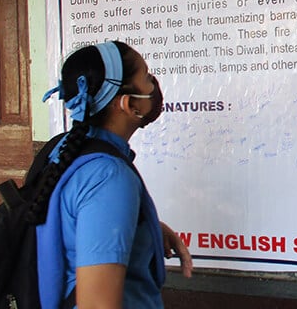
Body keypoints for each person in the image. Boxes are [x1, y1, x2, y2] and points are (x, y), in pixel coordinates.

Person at [39, 40, 192, 309]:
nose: (153, 85)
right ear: (128, 104)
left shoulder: (63, 149)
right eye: (146, 77)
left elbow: (76, 223)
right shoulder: (108, 177)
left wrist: (143, 227)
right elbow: (97, 305)